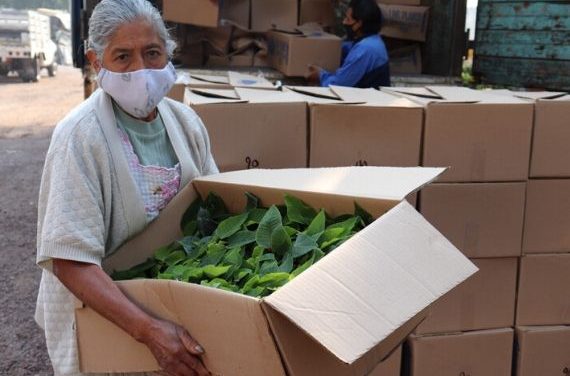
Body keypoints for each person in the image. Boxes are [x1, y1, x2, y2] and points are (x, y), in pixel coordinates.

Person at [34, 0, 218, 375]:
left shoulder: (186, 122)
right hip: (99, 314)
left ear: (168, 53)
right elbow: (70, 261)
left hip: (169, 309)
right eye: (123, 57)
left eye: (152, 53)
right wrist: (149, 330)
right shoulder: (80, 136)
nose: (141, 70)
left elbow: (215, 206)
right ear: (96, 61)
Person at [307, 0, 390, 88]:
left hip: (368, 100)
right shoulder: (374, 40)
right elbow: (347, 47)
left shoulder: (365, 50)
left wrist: (321, 75)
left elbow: (338, 85)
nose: (344, 22)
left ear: (358, 23)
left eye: (348, 19)